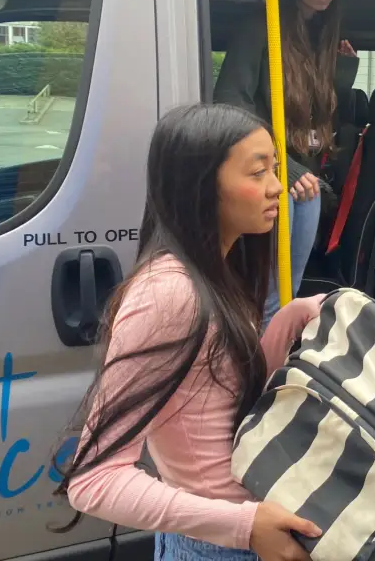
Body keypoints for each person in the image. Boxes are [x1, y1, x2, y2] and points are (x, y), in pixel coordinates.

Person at [54, 104, 326, 561]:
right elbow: (94, 480)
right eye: (258, 172)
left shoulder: (217, 270)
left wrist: (292, 318)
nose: (277, 187)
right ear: (201, 187)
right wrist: (244, 525)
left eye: (275, 169)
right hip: (222, 545)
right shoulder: (166, 293)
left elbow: (218, 393)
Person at [215, 0, 358, 322]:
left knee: (290, 293)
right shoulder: (260, 27)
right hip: (267, 177)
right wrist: (284, 167)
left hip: (303, 180)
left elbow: (319, 117)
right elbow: (231, 105)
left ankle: (275, 362)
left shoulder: (322, 35)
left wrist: (343, 73)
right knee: (267, 297)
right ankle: (259, 373)